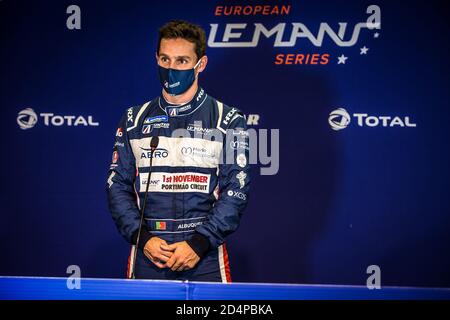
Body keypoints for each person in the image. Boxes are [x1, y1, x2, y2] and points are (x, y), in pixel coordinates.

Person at [106, 20, 250, 282]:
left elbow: (235, 190)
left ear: (200, 64)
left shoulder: (228, 120)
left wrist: (199, 244)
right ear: (156, 59)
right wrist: (144, 239)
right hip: (148, 254)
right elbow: (117, 186)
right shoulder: (133, 120)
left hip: (204, 257)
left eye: (182, 61)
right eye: (165, 59)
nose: (172, 69)